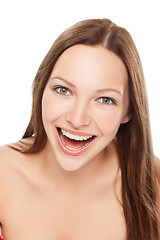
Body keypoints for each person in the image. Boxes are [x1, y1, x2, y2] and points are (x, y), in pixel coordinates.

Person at [0, 18, 159, 240]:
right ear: (41, 88)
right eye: (63, 90)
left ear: (128, 112)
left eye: (104, 99)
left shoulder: (154, 184)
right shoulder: (3, 173)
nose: (77, 119)